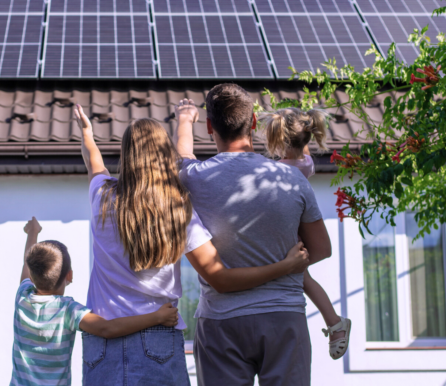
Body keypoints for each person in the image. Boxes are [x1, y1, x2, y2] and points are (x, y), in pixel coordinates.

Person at [74, 105, 311, 386]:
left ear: (126, 155)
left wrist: (87, 133)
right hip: (158, 335)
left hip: (102, 342)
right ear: (164, 155)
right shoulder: (177, 209)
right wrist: (285, 266)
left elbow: (93, 161)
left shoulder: (101, 196)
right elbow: (219, 276)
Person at [173, 83, 333, 386]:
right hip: (283, 316)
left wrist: (184, 119)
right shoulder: (292, 178)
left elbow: (182, 153)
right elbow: (321, 249)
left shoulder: (191, 177)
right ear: (254, 123)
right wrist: (285, 262)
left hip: (221, 322)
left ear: (209, 127)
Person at [11, 217, 180, 386]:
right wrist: (157, 317)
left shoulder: (22, 297)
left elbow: (26, 266)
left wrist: (32, 233)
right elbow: (107, 328)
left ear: (32, 275)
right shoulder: (67, 310)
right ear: (69, 276)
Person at [260, 107, 352, 360]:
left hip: (291, 235)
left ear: (278, 140)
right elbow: (303, 152)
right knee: (305, 280)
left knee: (300, 278)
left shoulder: (276, 170)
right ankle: (334, 322)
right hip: (299, 227)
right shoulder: (306, 163)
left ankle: (335, 322)